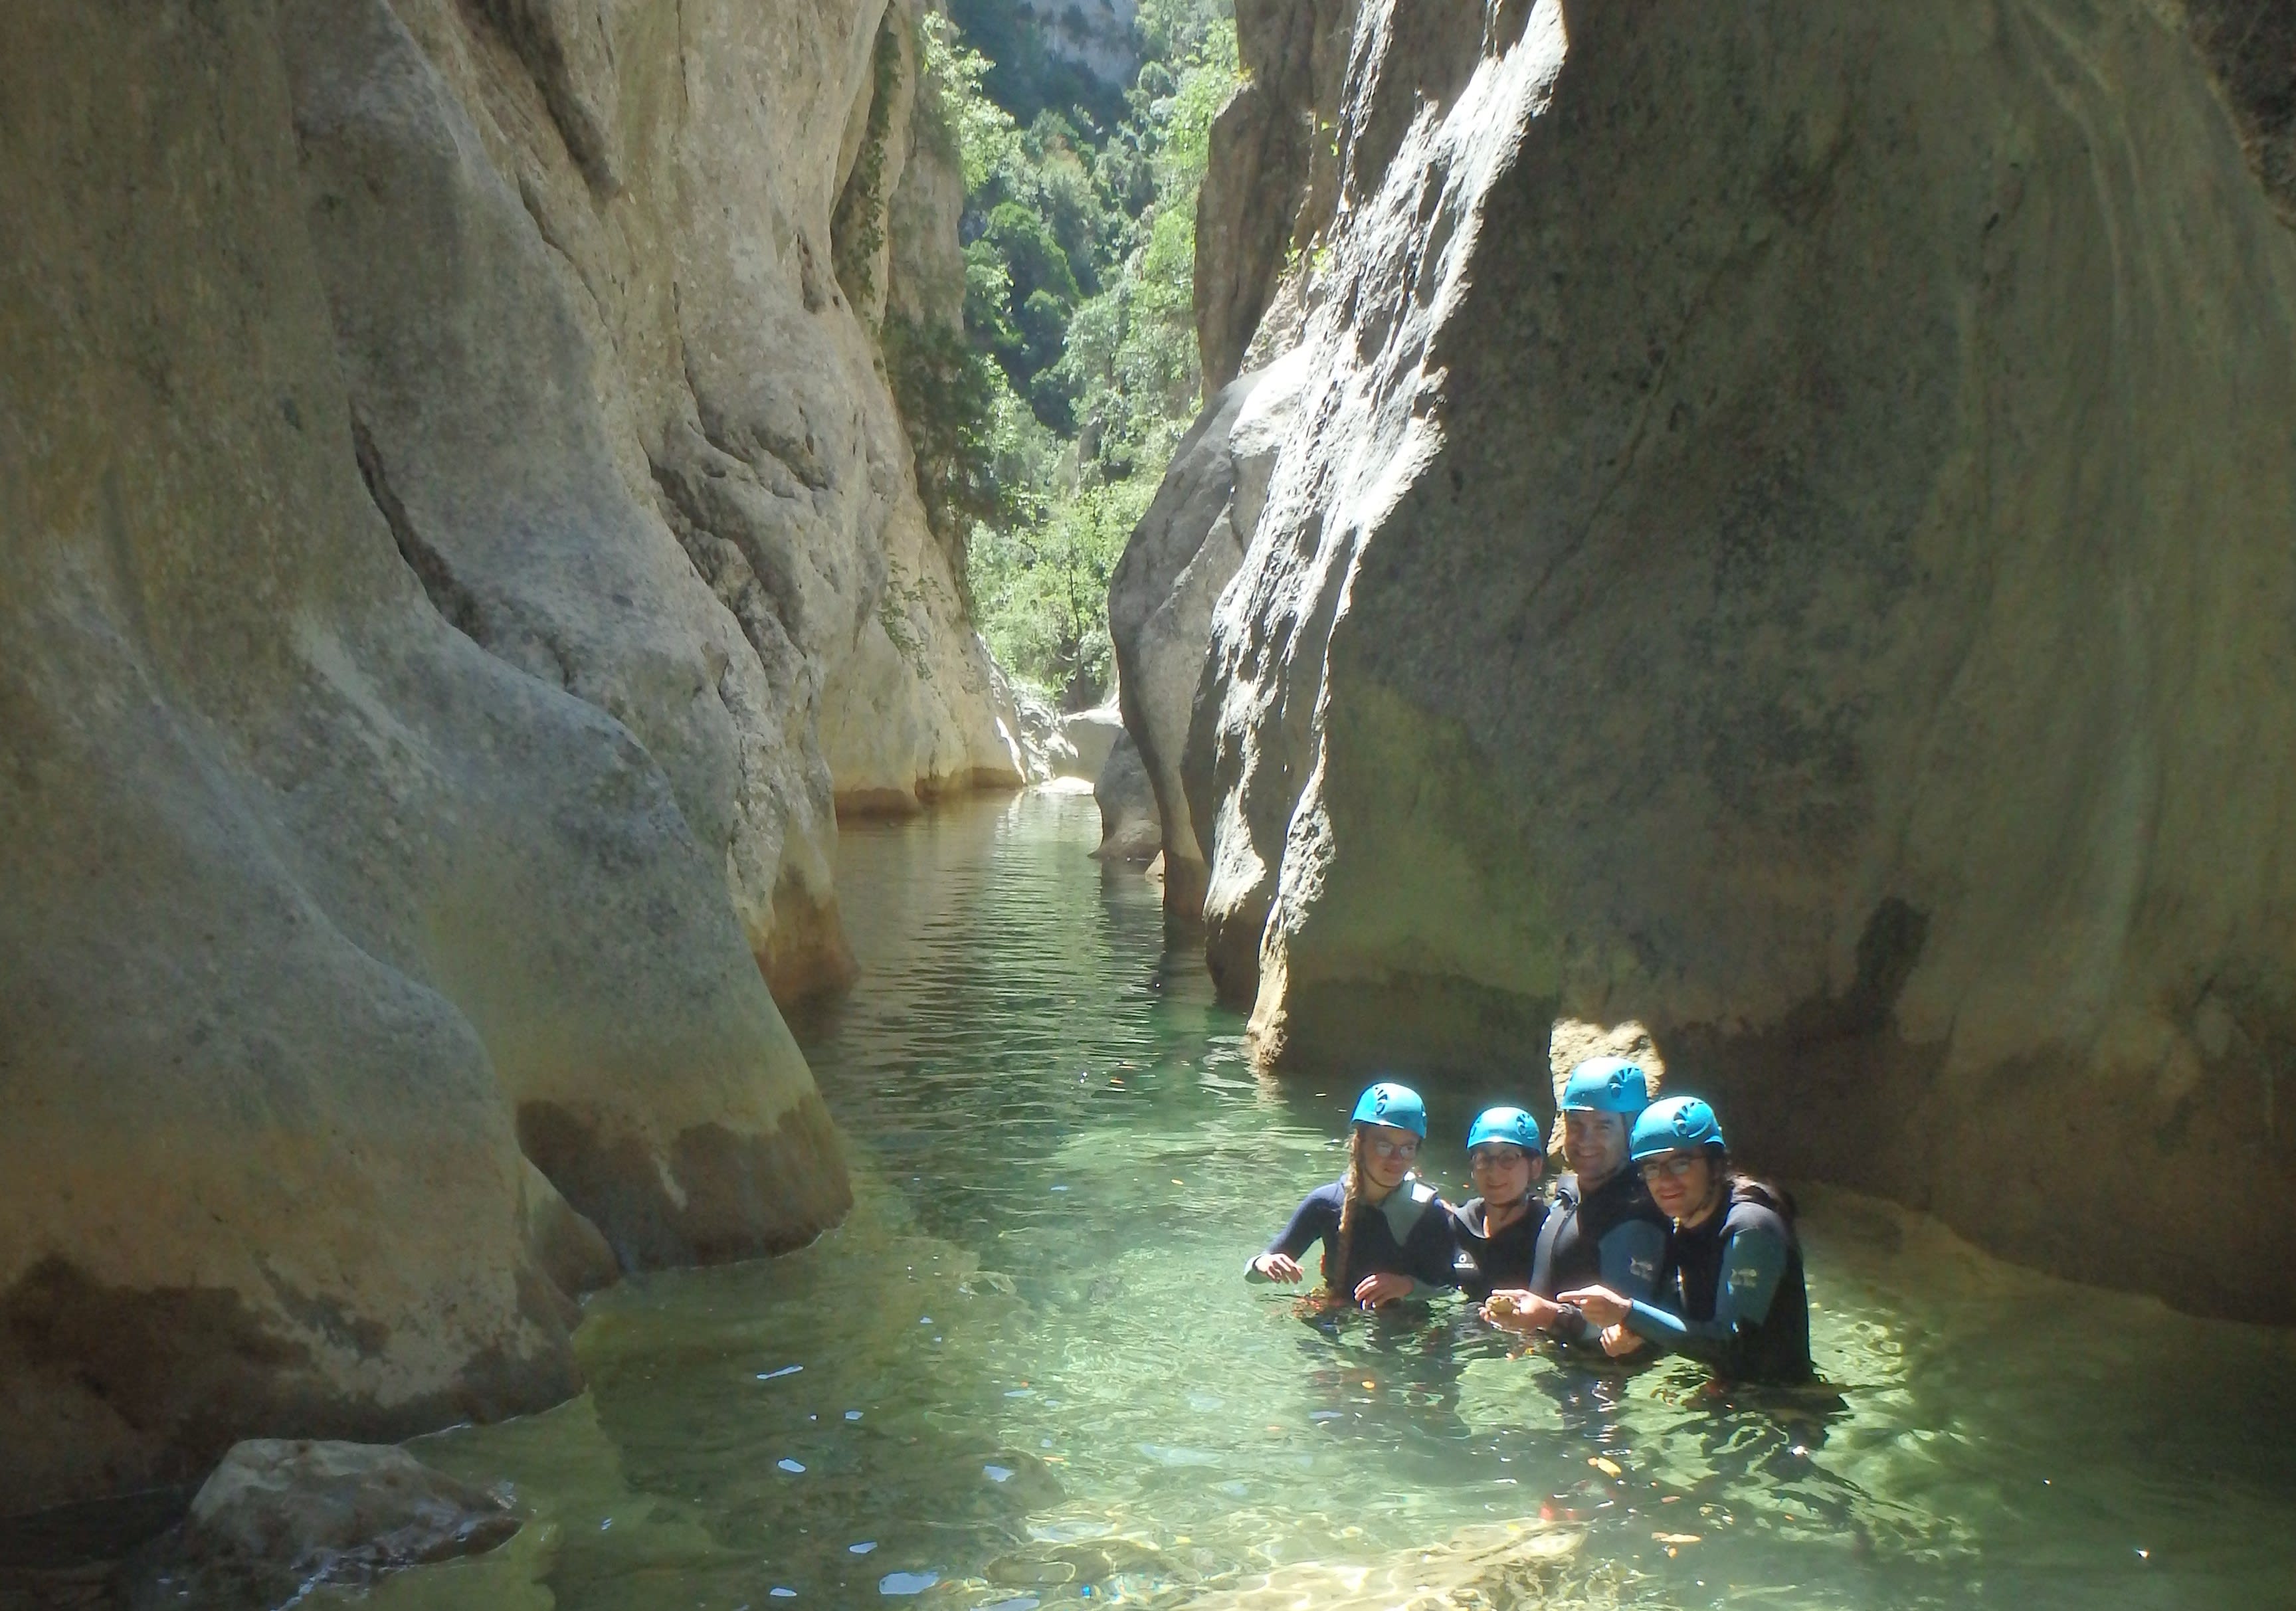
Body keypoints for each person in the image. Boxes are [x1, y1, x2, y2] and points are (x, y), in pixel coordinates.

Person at [1559, 1095, 1813, 1384]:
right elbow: (1685, 1323)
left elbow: (1731, 1343)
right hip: (1736, 1397)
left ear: (1716, 1166)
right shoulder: (1687, 1229)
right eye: (1652, 1168)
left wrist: (1630, 1313)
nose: (1665, 1180)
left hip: (1786, 1410)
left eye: (1680, 1164)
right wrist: (1638, 1333)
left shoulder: (1751, 1228)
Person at [1481, 1056, 1666, 1349]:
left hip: (1596, 1382)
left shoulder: (1637, 1215)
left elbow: (1622, 1334)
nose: (1584, 1140)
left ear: (1631, 1132)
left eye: (1603, 1127)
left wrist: (1550, 1317)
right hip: (1548, 1359)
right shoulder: (1571, 1192)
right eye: (1576, 1124)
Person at [1248, 1081, 1456, 1308]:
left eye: (1408, 1148)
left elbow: (1449, 1288)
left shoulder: (1428, 1212)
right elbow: (1252, 1274)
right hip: (1335, 1311)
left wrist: (1407, 1286)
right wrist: (1264, 1263)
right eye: (1384, 1146)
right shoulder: (1326, 1203)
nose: (1396, 1159)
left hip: (1402, 1327)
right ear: (1359, 1144)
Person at [1448, 1106, 1547, 1301]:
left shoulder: (1549, 1233)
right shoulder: (1458, 1226)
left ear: (1535, 1167)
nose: (1494, 1172)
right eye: (1484, 1159)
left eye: (1508, 1159)